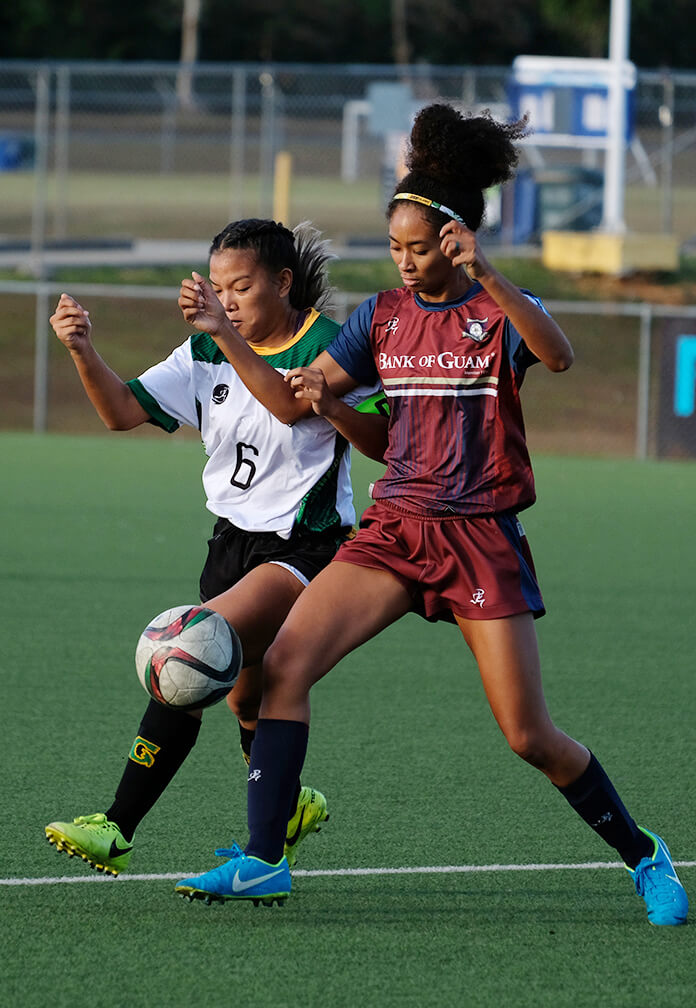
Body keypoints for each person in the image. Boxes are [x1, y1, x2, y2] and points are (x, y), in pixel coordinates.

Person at [172, 104, 689, 926]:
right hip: (394, 531)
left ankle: (645, 854)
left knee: (528, 735)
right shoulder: (379, 318)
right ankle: (264, 861)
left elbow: (557, 353)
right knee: (284, 669)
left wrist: (487, 275)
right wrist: (310, 392)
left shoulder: (492, 313)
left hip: (479, 536)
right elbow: (304, 408)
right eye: (395, 248)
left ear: (456, 240)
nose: (405, 262)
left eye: (419, 247)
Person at [45, 218, 387, 876]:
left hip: (304, 547)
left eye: (243, 286)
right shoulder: (204, 352)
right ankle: (285, 810)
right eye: (219, 287)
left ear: (283, 283)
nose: (227, 300)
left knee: (192, 645)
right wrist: (83, 349)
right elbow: (119, 411)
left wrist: (223, 334)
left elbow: (301, 411)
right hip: (229, 543)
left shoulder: (328, 346)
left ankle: (115, 827)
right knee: (245, 699)